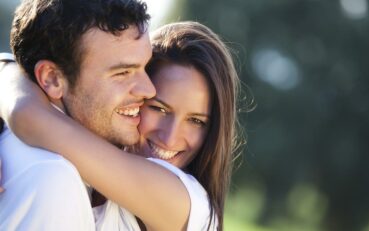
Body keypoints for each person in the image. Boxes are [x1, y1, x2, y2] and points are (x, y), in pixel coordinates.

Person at [0, 21, 243, 230]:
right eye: (158, 108)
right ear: (136, 97)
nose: (170, 138)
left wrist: (8, 73)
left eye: (196, 121)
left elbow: (28, 114)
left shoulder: (189, 205)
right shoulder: (80, 167)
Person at [0, 0, 155, 230]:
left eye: (146, 67)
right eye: (122, 72)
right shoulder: (51, 179)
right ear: (52, 78)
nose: (149, 90)